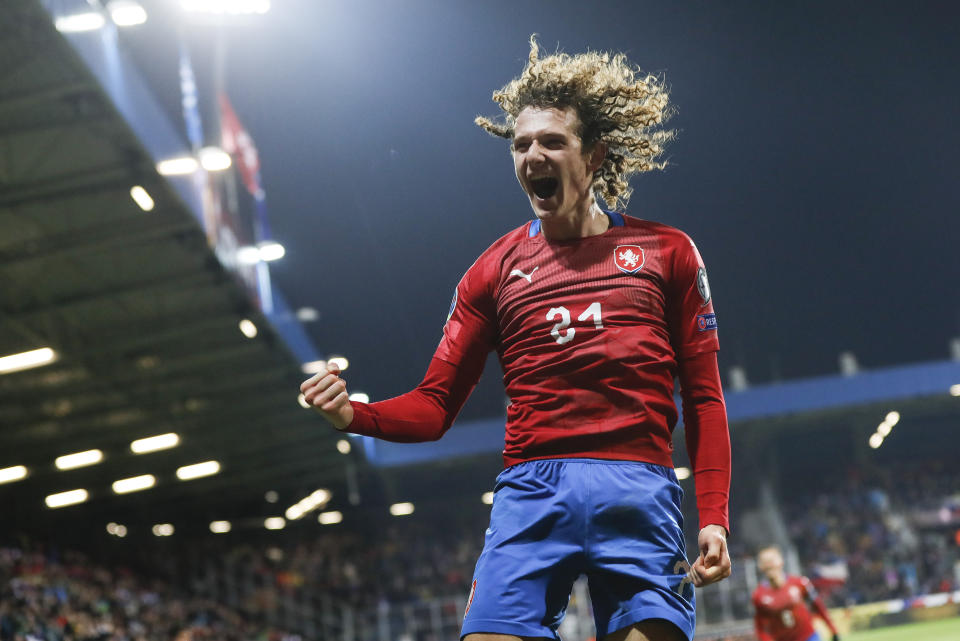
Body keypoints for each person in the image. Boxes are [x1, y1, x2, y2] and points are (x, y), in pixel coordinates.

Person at [301, 36, 732, 641]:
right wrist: (355, 415)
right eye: (521, 144)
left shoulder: (669, 253)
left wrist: (713, 517)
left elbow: (706, 400)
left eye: (552, 141)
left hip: (638, 493)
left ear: (596, 154)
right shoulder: (493, 271)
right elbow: (434, 406)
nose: (533, 154)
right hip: (532, 495)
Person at [752, 546, 840, 641]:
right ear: (760, 567)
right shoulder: (759, 596)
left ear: (781, 561)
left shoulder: (801, 583)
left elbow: (818, 606)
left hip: (809, 637)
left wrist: (833, 629)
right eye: (764, 561)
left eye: (771, 560)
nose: (768, 564)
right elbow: (760, 626)